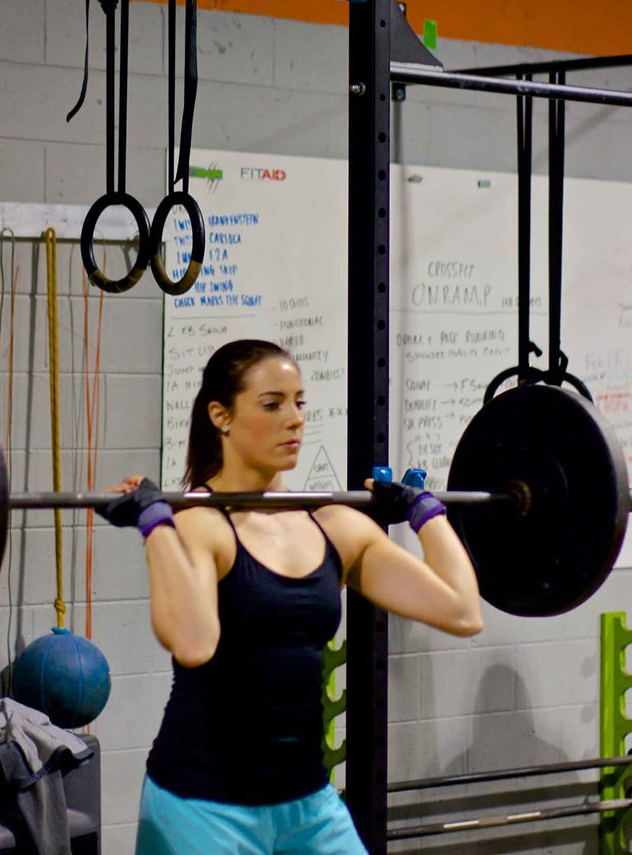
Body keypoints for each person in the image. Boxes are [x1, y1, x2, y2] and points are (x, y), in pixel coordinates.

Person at [99, 338, 483, 855]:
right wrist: (156, 526)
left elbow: (462, 611)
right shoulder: (201, 524)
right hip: (203, 806)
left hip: (308, 806)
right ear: (220, 416)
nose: (295, 419)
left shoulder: (335, 527)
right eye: (272, 404)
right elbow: (192, 643)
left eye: (299, 402)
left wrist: (424, 512)